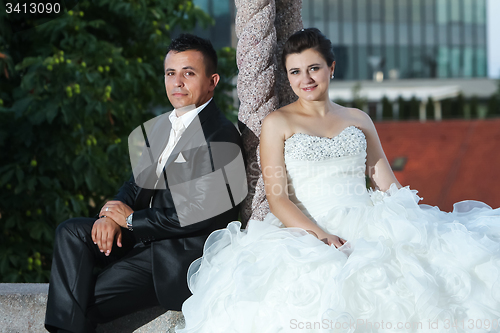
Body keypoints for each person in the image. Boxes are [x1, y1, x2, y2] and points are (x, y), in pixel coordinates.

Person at [177, 28, 500, 333]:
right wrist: (321, 236)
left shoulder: (358, 118)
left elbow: (386, 183)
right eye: (295, 72)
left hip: (368, 219)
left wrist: (420, 223)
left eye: (314, 68)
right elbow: (277, 198)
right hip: (307, 227)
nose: (305, 79)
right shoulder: (277, 122)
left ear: (331, 67)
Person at [45, 34, 245, 333]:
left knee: (81, 301)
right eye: (170, 73)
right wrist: (109, 215)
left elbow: (199, 213)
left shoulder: (220, 135)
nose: (177, 82)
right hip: (143, 236)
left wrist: (130, 220)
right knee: (71, 231)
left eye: (188, 73)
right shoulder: (164, 125)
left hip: (176, 254)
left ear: (212, 81)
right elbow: (135, 184)